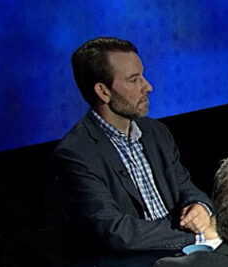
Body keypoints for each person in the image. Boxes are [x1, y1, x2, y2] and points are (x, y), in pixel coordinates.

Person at [53, 37, 216, 253]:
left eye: (143, 76)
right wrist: (197, 236)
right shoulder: (76, 154)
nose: (148, 86)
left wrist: (199, 208)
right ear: (103, 91)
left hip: (181, 253)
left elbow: (186, 187)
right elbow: (116, 232)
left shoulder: (155, 132)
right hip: (133, 265)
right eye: (134, 80)